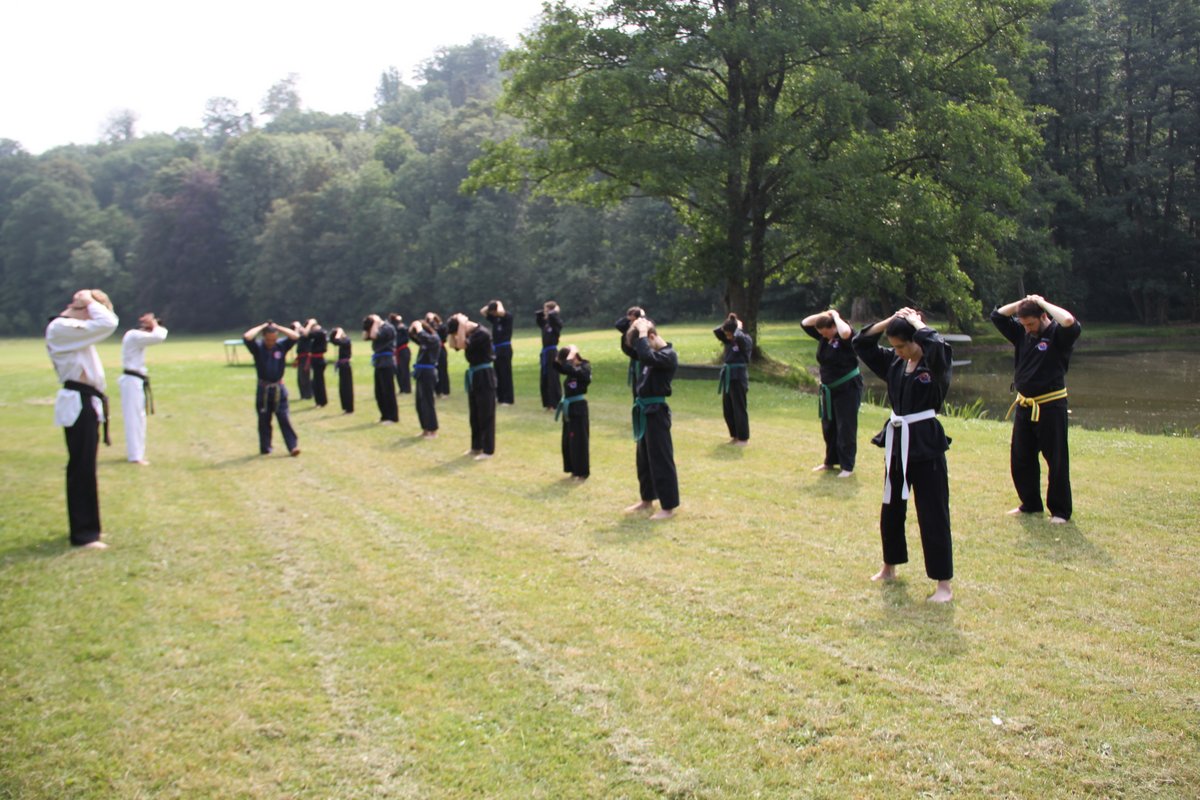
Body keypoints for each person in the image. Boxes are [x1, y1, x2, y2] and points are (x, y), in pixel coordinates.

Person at [852, 308, 953, 603]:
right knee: (892, 506)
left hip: (926, 443)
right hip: (898, 441)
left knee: (933, 512)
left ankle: (943, 584)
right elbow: (861, 343)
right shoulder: (895, 363)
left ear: (916, 340)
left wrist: (915, 322)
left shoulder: (935, 363)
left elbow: (937, 344)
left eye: (902, 345)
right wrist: (891, 318)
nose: (897, 352)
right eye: (893, 346)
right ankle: (889, 566)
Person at [991, 294, 1082, 524]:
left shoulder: (1058, 335)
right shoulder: (1023, 333)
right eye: (1023, 324)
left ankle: (1060, 511)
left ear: (1043, 316)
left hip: (1051, 405)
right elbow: (998, 315)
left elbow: (1069, 320)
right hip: (1025, 405)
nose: (1028, 329)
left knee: (1056, 459)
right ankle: (1030, 504)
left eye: (1031, 323)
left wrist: (1042, 303)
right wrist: (1023, 301)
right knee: (1021, 458)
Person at [46, 288, 119, 549]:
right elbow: (108, 322)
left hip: (85, 401)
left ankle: (88, 528)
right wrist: (87, 299)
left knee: (85, 467)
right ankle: (84, 534)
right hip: (78, 402)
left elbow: (105, 320)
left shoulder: (68, 330)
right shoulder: (60, 327)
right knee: (82, 469)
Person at [625, 317, 680, 520]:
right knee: (644, 459)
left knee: (661, 459)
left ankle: (668, 507)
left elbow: (646, 356)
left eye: (644, 342)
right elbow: (637, 352)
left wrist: (641, 333)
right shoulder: (653, 354)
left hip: (657, 412)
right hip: (644, 411)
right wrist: (635, 325)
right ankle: (646, 499)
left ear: (652, 336)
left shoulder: (667, 355)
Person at [801, 308, 862, 477]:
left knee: (846, 426)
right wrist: (825, 314)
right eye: (822, 333)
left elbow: (844, 333)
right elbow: (805, 322)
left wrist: (835, 316)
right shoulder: (824, 337)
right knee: (829, 426)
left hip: (848, 388)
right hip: (829, 389)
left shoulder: (845, 337)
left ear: (834, 327)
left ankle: (847, 466)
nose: (824, 336)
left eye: (827, 333)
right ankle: (830, 461)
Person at [243, 320, 301, 457]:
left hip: (279, 389)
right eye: (269, 339)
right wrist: (262, 326)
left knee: (284, 417)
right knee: (264, 420)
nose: (271, 342)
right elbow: (247, 336)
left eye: (274, 339)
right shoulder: (257, 348)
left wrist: (278, 327)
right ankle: (265, 447)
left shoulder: (281, 346)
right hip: (263, 390)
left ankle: (292, 446)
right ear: (264, 337)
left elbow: (295, 336)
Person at [118, 311, 168, 465]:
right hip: (132, 380)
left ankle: (137, 452)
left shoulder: (134, 337)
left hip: (135, 380)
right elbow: (159, 336)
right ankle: (135, 456)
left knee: (139, 418)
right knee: (134, 419)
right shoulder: (133, 335)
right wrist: (153, 324)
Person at [447, 313, 497, 459]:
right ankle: (476, 447)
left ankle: (488, 450)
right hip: (474, 375)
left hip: (485, 375)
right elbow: (453, 344)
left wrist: (462, 324)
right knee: (474, 414)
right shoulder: (469, 333)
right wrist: (454, 330)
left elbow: (462, 344)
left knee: (486, 414)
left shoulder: (481, 333)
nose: (458, 335)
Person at [714, 312, 752, 445]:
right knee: (728, 409)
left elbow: (740, 339)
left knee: (739, 408)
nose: (727, 336)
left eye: (729, 333)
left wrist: (738, 328)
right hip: (728, 377)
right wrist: (729, 322)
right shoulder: (728, 340)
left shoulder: (744, 339)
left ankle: (743, 438)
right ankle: (734, 435)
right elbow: (717, 332)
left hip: (739, 377)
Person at [554, 344, 591, 480]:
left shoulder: (584, 367)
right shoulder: (570, 369)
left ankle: (582, 472)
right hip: (568, 407)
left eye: (567, 359)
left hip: (579, 407)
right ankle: (573, 469)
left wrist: (570, 357)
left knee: (579, 439)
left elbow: (578, 373)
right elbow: (557, 367)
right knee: (568, 439)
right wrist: (559, 358)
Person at [364, 314, 400, 424]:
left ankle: (393, 417)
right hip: (379, 361)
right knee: (379, 391)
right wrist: (366, 326)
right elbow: (365, 337)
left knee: (388, 390)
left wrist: (375, 322)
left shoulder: (388, 328)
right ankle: (384, 416)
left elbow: (374, 336)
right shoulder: (378, 328)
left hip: (387, 361)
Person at [409, 318, 441, 437]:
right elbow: (414, 337)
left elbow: (423, 337)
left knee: (428, 402)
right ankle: (425, 428)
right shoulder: (425, 341)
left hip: (429, 373)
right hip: (421, 373)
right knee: (420, 403)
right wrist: (413, 329)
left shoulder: (434, 339)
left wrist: (419, 327)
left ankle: (433, 430)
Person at [482, 300, 514, 405]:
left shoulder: (507, 317)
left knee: (505, 373)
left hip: (505, 348)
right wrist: (491, 305)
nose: (492, 314)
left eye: (493, 312)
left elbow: (501, 312)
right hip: (496, 349)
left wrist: (499, 303)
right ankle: (500, 397)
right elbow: (482, 311)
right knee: (498, 373)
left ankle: (508, 399)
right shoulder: (495, 319)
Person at [535, 301, 564, 410]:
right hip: (545, 353)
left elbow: (553, 317)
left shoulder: (557, 324)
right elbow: (538, 316)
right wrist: (544, 312)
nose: (546, 312)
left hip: (552, 352)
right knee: (545, 378)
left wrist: (554, 311)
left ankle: (556, 403)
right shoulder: (545, 324)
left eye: (547, 309)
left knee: (553, 378)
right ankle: (547, 403)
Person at [615, 306, 645, 400]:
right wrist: (629, 318)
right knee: (635, 386)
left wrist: (642, 316)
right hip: (634, 360)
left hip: (643, 360)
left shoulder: (644, 326)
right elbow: (618, 324)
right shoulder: (628, 326)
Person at [304, 318, 329, 408]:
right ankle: (319, 401)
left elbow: (306, 334)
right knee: (316, 381)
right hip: (316, 359)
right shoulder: (320, 333)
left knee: (318, 382)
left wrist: (310, 324)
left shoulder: (319, 332)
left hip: (318, 360)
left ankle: (321, 401)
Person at [329, 326, 354, 413]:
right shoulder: (342, 341)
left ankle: (349, 408)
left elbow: (337, 340)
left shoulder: (347, 340)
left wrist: (339, 332)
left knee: (347, 387)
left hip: (346, 366)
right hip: (342, 366)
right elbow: (333, 341)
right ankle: (345, 407)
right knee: (342, 388)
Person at [427, 313, 452, 397]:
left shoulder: (442, 327)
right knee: (434, 371)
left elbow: (444, 335)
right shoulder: (428, 328)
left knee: (442, 370)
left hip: (440, 350)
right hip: (432, 351)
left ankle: (445, 391)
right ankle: (437, 391)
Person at [389, 313, 412, 395]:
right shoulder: (393, 328)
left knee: (404, 370)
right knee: (398, 370)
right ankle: (402, 388)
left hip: (403, 350)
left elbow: (406, 337)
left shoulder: (403, 328)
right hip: (396, 351)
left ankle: (407, 388)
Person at [292, 320, 314, 401]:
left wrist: (299, 326)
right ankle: (303, 394)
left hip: (306, 357)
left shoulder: (308, 333)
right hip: (301, 357)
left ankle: (308, 394)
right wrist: (297, 328)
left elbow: (305, 333)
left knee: (305, 376)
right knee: (300, 377)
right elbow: (294, 336)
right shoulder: (301, 332)